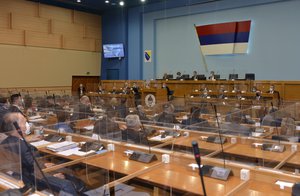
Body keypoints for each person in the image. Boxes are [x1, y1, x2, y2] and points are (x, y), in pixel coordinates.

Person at [0, 112, 87, 195]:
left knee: (66, 171)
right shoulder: (20, 145)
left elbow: (30, 163)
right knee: (67, 183)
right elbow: (33, 167)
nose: (27, 125)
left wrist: (46, 165)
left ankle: (80, 187)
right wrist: (52, 174)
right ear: (17, 127)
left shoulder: (9, 142)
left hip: (32, 173)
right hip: (34, 178)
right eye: (25, 122)